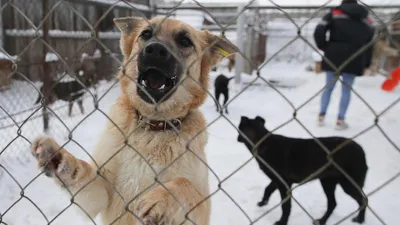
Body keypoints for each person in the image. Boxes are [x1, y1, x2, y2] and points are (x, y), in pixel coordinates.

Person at [314, 0, 374, 130]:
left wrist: (325, 47)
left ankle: (321, 116)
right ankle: (340, 120)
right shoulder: (368, 20)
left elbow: (319, 30)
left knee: (328, 87)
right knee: (346, 90)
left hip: (334, 54)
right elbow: (370, 44)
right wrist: (367, 63)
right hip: (355, 58)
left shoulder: (335, 12)